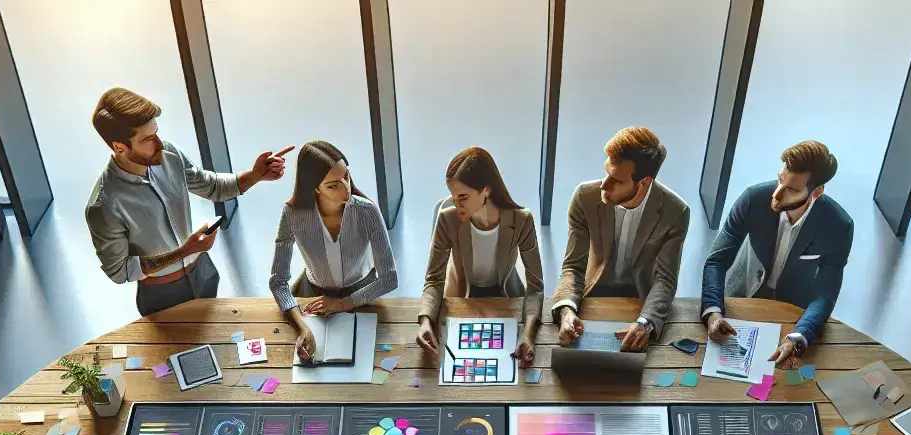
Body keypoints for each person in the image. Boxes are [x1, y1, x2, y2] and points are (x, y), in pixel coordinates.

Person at [85, 87, 290, 317]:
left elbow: (211, 186)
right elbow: (120, 271)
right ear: (120, 148)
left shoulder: (169, 155)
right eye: (148, 139)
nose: (160, 145)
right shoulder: (103, 205)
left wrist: (256, 175)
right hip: (161, 295)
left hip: (203, 273)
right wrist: (185, 251)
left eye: (157, 133)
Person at [701, 140, 853, 368]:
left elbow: (826, 292)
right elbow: (716, 261)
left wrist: (799, 335)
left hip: (791, 310)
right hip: (741, 297)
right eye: (780, 180)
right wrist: (713, 312)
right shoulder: (752, 199)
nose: (777, 194)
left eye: (792, 189)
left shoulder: (839, 225)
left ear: (817, 192)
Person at [551, 126, 689, 353]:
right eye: (606, 171)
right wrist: (567, 310)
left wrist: (646, 322)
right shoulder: (585, 197)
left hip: (640, 301)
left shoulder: (676, 212)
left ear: (643, 183)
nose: (604, 185)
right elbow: (573, 266)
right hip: (591, 298)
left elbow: (664, 280)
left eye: (616, 180)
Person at [270, 142, 398, 364]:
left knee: (366, 364)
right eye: (333, 185)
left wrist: (342, 304)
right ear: (315, 187)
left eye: (346, 177)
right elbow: (278, 282)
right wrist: (302, 326)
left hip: (362, 295)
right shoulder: (291, 215)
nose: (346, 188)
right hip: (314, 299)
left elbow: (389, 279)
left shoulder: (367, 211)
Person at [416, 147, 546, 367]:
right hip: (461, 297)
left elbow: (536, 286)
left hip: (505, 296)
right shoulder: (448, 220)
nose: (456, 204)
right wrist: (425, 320)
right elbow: (433, 279)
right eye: (453, 196)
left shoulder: (522, 221)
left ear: (486, 190)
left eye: (463, 197)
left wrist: (528, 334)